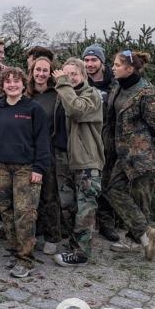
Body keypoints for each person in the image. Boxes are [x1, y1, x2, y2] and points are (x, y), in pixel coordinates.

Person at [0, 67, 50, 279]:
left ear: (23, 84)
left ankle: (25, 259)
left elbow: (42, 140)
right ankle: (14, 249)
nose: (12, 84)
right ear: (2, 85)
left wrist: (39, 167)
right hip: (0, 167)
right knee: (6, 211)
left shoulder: (33, 109)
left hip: (25, 168)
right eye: (8, 81)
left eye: (16, 81)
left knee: (24, 213)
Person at [103, 50, 155, 261]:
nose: (112, 67)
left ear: (130, 69)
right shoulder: (117, 88)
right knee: (113, 189)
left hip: (141, 156)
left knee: (141, 199)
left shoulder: (145, 93)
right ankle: (144, 233)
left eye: (116, 64)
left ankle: (135, 241)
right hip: (121, 154)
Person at [50, 58, 106, 267]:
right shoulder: (63, 93)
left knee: (85, 207)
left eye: (74, 74)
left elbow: (76, 110)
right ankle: (75, 245)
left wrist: (63, 82)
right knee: (68, 205)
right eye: (65, 73)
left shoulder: (91, 95)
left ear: (83, 74)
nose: (69, 77)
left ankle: (82, 254)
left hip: (86, 160)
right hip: (64, 158)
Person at [82, 43, 119, 242]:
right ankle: (85, 224)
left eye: (93, 59)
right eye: (86, 60)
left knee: (106, 184)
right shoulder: (79, 81)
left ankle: (106, 223)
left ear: (102, 62)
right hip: (86, 141)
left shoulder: (115, 83)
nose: (89, 63)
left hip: (108, 141)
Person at [26, 56, 62, 256]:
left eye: (45, 70)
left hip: (47, 151)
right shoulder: (25, 94)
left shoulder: (56, 95)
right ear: (31, 72)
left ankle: (52, 236)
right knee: (30, 196)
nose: (40, 74)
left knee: (49, 195)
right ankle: (34, 233)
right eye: (37, 70)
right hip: (26, 152)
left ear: (50, 73)